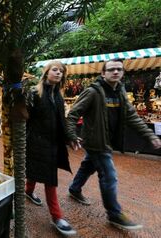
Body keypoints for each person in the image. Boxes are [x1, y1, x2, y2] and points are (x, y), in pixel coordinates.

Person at [66, 59, 161, 231]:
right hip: (96, 141)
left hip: (107, 140)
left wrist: (149, 135)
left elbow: (131, 116)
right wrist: (71, 135)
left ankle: (74, 188)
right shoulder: (93, 92)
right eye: (111, 69)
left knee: (88, 165)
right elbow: (73, 114)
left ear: (123, 73)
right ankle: (114, 213)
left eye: (119, 69)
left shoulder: (120, 91)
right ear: (103, 73)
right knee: (109, 175)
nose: (115, 72)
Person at [25, 60, 76, 236]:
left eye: (61, 71)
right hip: (36, 142)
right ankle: (57, 217)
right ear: (46, 73)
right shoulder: (34, 92)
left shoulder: (59, 96)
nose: (58, 73)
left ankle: (28, 191)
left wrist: (70, 137)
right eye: (55, 70)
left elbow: (62, 121)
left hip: (53, 143)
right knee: (49, 178)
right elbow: (24, 118)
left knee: (39, 172)